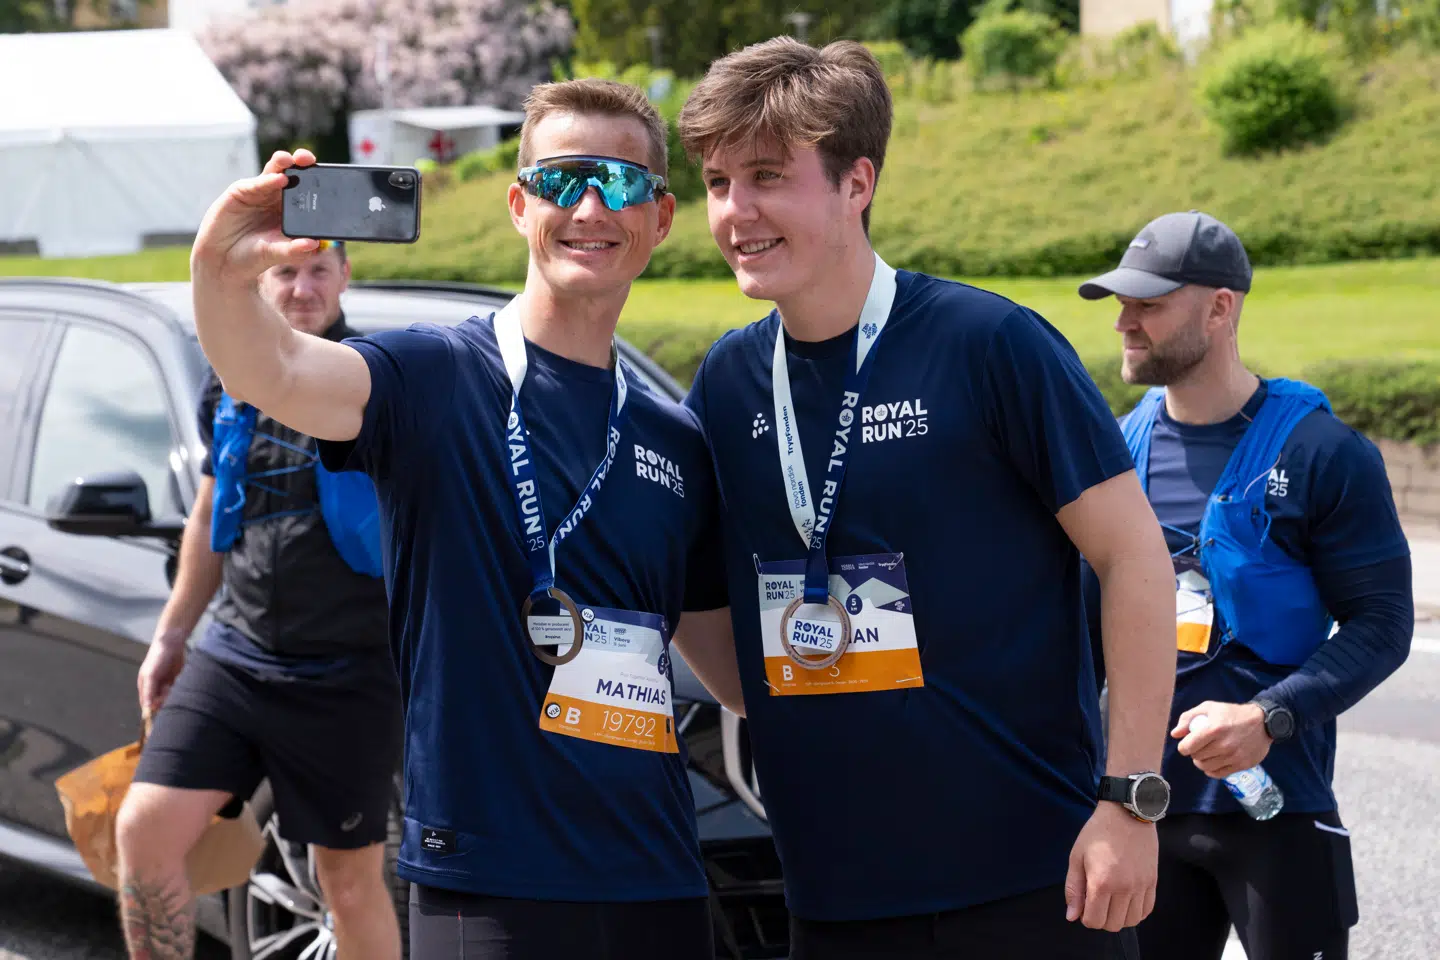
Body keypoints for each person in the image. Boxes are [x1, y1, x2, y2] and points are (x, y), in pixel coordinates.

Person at [183, 78, 737, 960]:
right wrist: (222, 265)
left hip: (657, 876)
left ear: (660, 218)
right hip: (490, 885)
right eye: (560, 181)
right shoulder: (430, 376)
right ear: (521, 206)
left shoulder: (675, 436)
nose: (589, 205)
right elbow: (276, 371)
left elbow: (732, 668)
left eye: (621, 182)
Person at [673, 37, 1178, 959]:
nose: (735, 212)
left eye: (767, 176)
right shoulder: (730, 382)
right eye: (715, 182)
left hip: (1037, 877)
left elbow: (1134, 556)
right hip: (832, 891)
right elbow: (703, 596)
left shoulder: (992, 345)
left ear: (855, 182)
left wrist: (1130, 799)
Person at [1077, 210, 1413, 960]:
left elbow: (1383, 625)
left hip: (1278, 813)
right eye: (1122, 303)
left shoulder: (1324, 453)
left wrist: (1268, 715)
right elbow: (1073, 631)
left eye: (1150, 303)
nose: (1125, 322)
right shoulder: (1109, 454)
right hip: (1140, 812)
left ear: (1220, 307)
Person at [115, 238, 404, 960]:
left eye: (318, 270)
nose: (302, 287)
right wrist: (172, 635)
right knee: (143, 832)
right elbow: (212, 516)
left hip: (348, 673)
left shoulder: (379, 383)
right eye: (285, 271)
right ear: (261, 280)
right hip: (236, 658)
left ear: (345, 276)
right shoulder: (230, 381)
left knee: (348, 883)